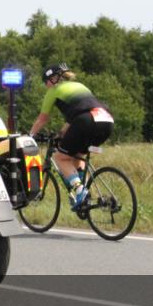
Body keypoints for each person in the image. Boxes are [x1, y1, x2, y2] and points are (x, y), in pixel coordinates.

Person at [28, 63, 115, 209]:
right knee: (77, 155)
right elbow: (74, 117)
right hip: (106, 120)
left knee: (60, 157)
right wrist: (61, 134)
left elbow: (42, 119)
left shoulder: (54, 90)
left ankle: (80, 191)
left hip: (86, 120)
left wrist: (30, 136)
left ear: (51, 80)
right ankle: (87, 194)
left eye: (45, 82)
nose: (46, 86)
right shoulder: (80, 85)